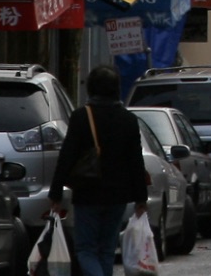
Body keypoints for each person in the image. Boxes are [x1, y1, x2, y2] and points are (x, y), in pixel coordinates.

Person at [50, 65, 149, 276]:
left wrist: (56, 192)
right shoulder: (128, 120)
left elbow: (66, 157)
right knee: (106, 249)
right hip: (118, 196)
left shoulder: (81, 117)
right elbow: (136, 161)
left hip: (88, 193)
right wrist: (141, 197)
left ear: (91, 89)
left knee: (86, 249)